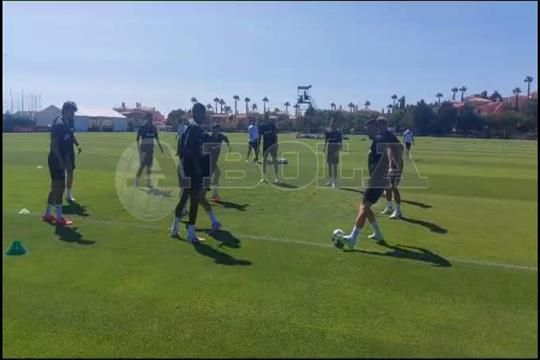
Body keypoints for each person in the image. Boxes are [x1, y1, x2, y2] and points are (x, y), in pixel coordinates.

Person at [339, 117, 401, 249]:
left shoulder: (379, 138)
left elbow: (390, 150)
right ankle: (377, 233)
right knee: (366, 207)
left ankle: (353, 238)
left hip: (378, 178)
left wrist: (391, 166)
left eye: (368, 129)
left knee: (363, 206)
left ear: (374, 128)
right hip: (376, 177)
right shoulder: (377, 139)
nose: (366, 132)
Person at [170, 103, 221, 243]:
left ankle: (174, 229)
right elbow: (187, 149)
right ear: (196, 113)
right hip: (191, 169)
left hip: (185, 167)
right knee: (194, 200)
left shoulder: (190, 127)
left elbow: (183, 148)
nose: (204, 116)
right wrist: (197, 165)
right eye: (203, 113)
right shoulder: (193, 128)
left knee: (185, 198)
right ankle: (191, 234)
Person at [42, 101, 79, 226]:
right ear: (66, 110)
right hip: (56, 159)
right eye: (72, 111)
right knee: (60, 187)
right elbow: (54, 145)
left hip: (59, 159)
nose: (74, 114)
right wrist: (61, 161)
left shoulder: (65, 122)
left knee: (55, 187)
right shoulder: (59, 124)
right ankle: (59, 217)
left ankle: (48, 214)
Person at [381, 120, 404, 219]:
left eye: (381, 124)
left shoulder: (389, 136)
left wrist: (393, 164)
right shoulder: (381, 135)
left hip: (394, 164)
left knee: (393, 186)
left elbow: (398, 148)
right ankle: (389, 206)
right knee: (386, 186)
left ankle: (398, 210)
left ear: (385, 125)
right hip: (386, 163)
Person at [135, 115, 163, 188]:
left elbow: (157, 138)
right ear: (146, 119)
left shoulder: (153, 128)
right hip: (143, 150)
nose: (150, 120)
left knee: (149, 166)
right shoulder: (142, 128)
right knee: (142, 166)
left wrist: (160, 147)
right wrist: (138, 149)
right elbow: (137, 139)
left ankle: (148, 183)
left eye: (151, 119)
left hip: (151, 150)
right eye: (149, 118)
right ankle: (137, 181)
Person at [206, 123, 231, 201]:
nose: (215, 130)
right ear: (212, 129)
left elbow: (226, 138)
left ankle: (214, 194)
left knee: (215, 175)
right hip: (209, 160)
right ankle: (212, 193)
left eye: (217, 129)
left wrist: (229, 146)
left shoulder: (221, 136)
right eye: (214, 129)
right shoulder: (210, 138)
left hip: (214, 160)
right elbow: (206, 149)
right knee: (213, 176)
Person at [258, 113, 279, 184]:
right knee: (264, 161)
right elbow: (260, 137)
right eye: (265, 117)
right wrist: (258, 146)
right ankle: (263, 177)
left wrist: (276, 144)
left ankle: (276, 177)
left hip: (272, 145)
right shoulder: (261, 126)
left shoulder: (272, 125)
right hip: (265, 146)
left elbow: (275, 136)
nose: (266, 118)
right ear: (264, 118)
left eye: (267, 117)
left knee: (274, 160)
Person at [323, 118, 342, 188]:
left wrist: (340, 148)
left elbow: (340, 141)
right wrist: (324, 147)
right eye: (331, 122)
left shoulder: (338, 132)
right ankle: (330, 181)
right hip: (330, 148)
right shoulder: (328, 131)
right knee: (329, 165)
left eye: (334, 123)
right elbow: (326, 140)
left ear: (336, 124)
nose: (332, 124)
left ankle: (334, 182)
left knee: (335, 165)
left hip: (335, 148)